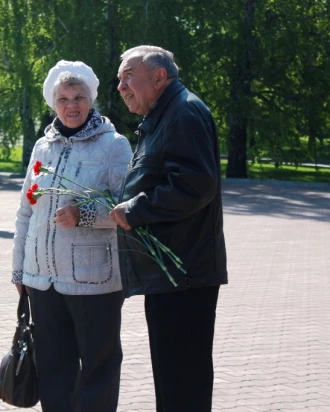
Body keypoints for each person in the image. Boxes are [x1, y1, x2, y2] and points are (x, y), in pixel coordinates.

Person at [109, 45, 228, 412]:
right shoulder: (165, 114)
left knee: (182, 383)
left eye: (129, 76)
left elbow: (196, 184)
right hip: (173, 274)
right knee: (175, 380)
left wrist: (137, 208)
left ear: (159, 77)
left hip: (184, 276)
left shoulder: (183, 112)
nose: (121, 86)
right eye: (118, 78)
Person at [12, 60, 133, 412]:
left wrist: (85, 215)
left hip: (94, 281)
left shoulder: (114, 145)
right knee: (53, 369)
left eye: (79, 97)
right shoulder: (43, 148)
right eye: (63, 98)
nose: (72, 105)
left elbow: (127, 208)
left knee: (99, 367)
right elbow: (25, 212)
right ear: (53, 103)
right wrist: (20, 270)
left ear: (91, 99)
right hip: (43, 279)